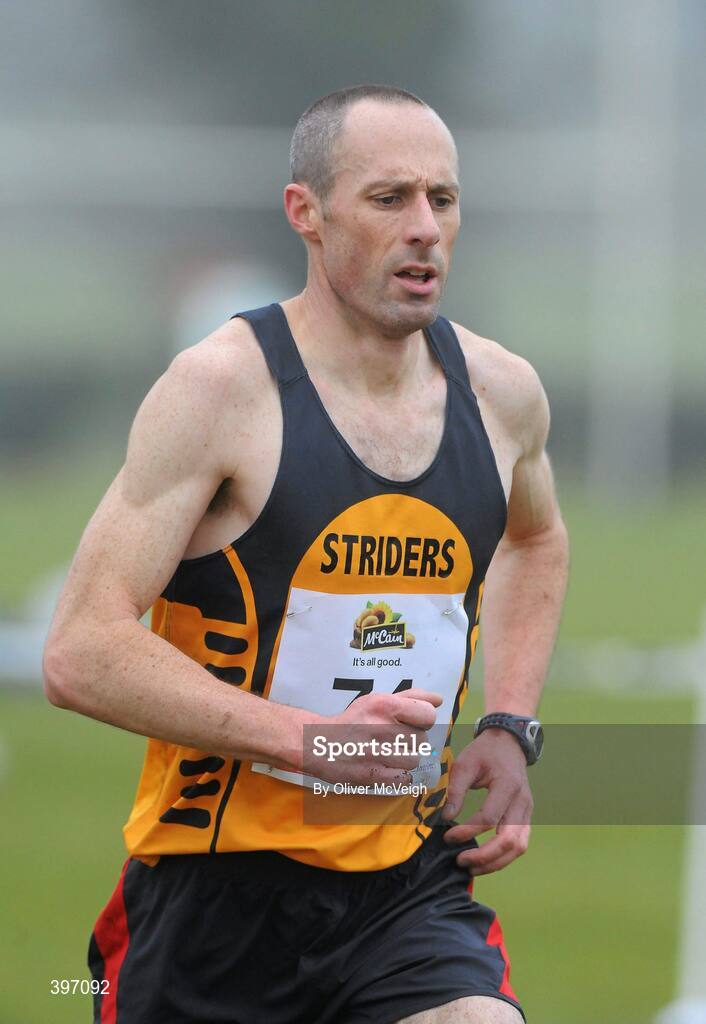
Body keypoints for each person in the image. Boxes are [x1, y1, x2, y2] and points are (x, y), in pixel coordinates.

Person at [44, 84, 569, 1024]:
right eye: (388, 199)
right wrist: (311, 745)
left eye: (442, 201)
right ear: (308, 214)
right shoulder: (220, 390)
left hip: (404, 891)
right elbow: (80, 650)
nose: (424, 229)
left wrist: (510, 724)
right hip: (211, 900)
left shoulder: (502, 395)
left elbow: (535, 537)